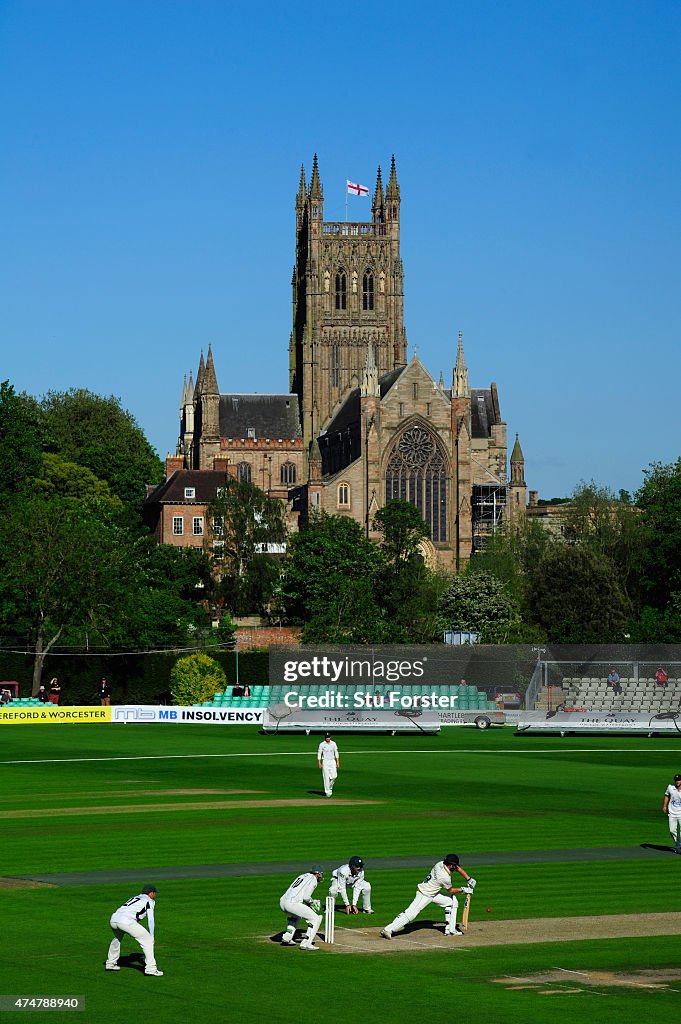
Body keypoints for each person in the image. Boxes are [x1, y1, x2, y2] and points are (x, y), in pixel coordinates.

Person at [381, 853, 476, 939]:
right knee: (410, 914)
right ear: (451, 865)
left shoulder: (440, 864)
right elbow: (451, 890)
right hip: (424, 894)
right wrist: (463, 889)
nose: (456, 868)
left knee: (451, 902)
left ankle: (450, 930)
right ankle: (388, 930)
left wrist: (468, 879)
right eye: (454, 866)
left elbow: (458, 868)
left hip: (433, 893)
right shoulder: (444, 877)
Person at [105, 885, 164, 975]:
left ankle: (110, 963)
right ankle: (151, 969)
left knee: (117, 938)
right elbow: (150, 919)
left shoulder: (136, 897)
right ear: (151, 893)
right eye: (155, 893)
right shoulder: (150, 901)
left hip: (114, 919)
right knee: (148, 940)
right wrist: (152, 935)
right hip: (126, 921)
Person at [279, 866, 324, 950]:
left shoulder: (302, 875)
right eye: (320, 874)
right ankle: (306, 943)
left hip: (282, 902)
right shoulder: (313, 879)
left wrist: (309, 903)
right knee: (316, 919)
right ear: (317, 873)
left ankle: (287, 937)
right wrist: (312, 902)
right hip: (292, 903)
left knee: (296, 915)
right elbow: (306, 897)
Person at [662, 774, 681, 853]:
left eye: (679, 780)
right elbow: (667, 795)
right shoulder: (670, 787)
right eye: (676, 780)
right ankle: (678, 845)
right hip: (672, 813)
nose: (677, 782)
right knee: (672, 830)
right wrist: (664, 806)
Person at [317, 733, 340, 797]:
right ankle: (327, 792)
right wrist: (319, 762)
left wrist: (338, 761)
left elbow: (336, 752)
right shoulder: (322, 744)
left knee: (334, 776)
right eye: (327, 737)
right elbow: (319, 753)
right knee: (326, 777)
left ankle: (330, 787)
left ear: (330, 737)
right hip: (325, 761)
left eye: (329, 737)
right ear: (325, 738)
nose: (328, 738)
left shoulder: (333, 743)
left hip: (332, 761)